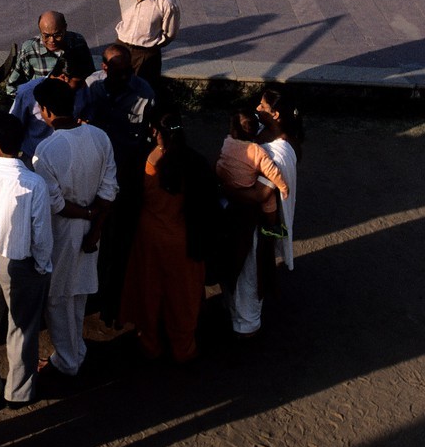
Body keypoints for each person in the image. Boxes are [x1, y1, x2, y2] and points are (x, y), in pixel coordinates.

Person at [32, 79, 118, 378]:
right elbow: (109, 189)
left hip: (63, 232)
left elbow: (55, 204)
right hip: (92, 228)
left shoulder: (45, 151)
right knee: (78, 291)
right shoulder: (99, 136)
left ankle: (67, 361)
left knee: (58, 297)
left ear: (46, 111)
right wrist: (95, 229)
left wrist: (87, 215)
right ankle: (74, 349)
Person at [0, 114, 53, 409]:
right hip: (21, 263)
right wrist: (42, 265)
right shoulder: (34, 182)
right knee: (22, 328)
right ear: (22, 143)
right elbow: (41, 232)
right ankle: (18, 391)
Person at [120, 112, 221, 362]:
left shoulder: (149, 161)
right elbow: (209, 204)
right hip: (185, 241)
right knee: (183, 297)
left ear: (156, 132)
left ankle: (150, 343)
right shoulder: (195, 162)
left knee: (149, 292)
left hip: (150, 239)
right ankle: (184, 348)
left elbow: (135, 197)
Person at [81, 44, 155, 329]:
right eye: (118, 71)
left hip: (125, 176)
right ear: (104, 68)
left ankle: (112, 305)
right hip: (93, 177)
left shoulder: (144, 93)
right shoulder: (91, 88)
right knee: (90, 239)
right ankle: (89, 296)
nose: (125, 77)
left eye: (128, 71)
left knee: (118, 242)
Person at [226, 88, 302, 337]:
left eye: (262, 106)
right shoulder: (262, 135)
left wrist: (227, 186)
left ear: (276, 114)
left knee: (250, 275)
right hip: (246, 220)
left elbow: (261, 195)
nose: (257, 109)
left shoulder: (276, 154)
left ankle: (246, 328)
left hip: (257, 225)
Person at [216, 102, 290, 237]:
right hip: (244, 186)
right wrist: (283, 187)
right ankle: (270, 225)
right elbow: (272, 171)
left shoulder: (227, 141)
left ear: (232, 130)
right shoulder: (257, 151)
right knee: (270, 198)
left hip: (225, 178)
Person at [114, 0, 180, 87]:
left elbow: (169, 34)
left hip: (146, 54)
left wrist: (149, 46)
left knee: (143, 92)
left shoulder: (165, 2)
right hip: (121, 46)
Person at [6, 11, 90, 96]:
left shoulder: (78, 42)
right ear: (40, 31)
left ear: (65, 28)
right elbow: (12, 86)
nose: (52, 40)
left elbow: (89, 74)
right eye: (46, 36)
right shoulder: (29, 49)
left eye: (57, 35)